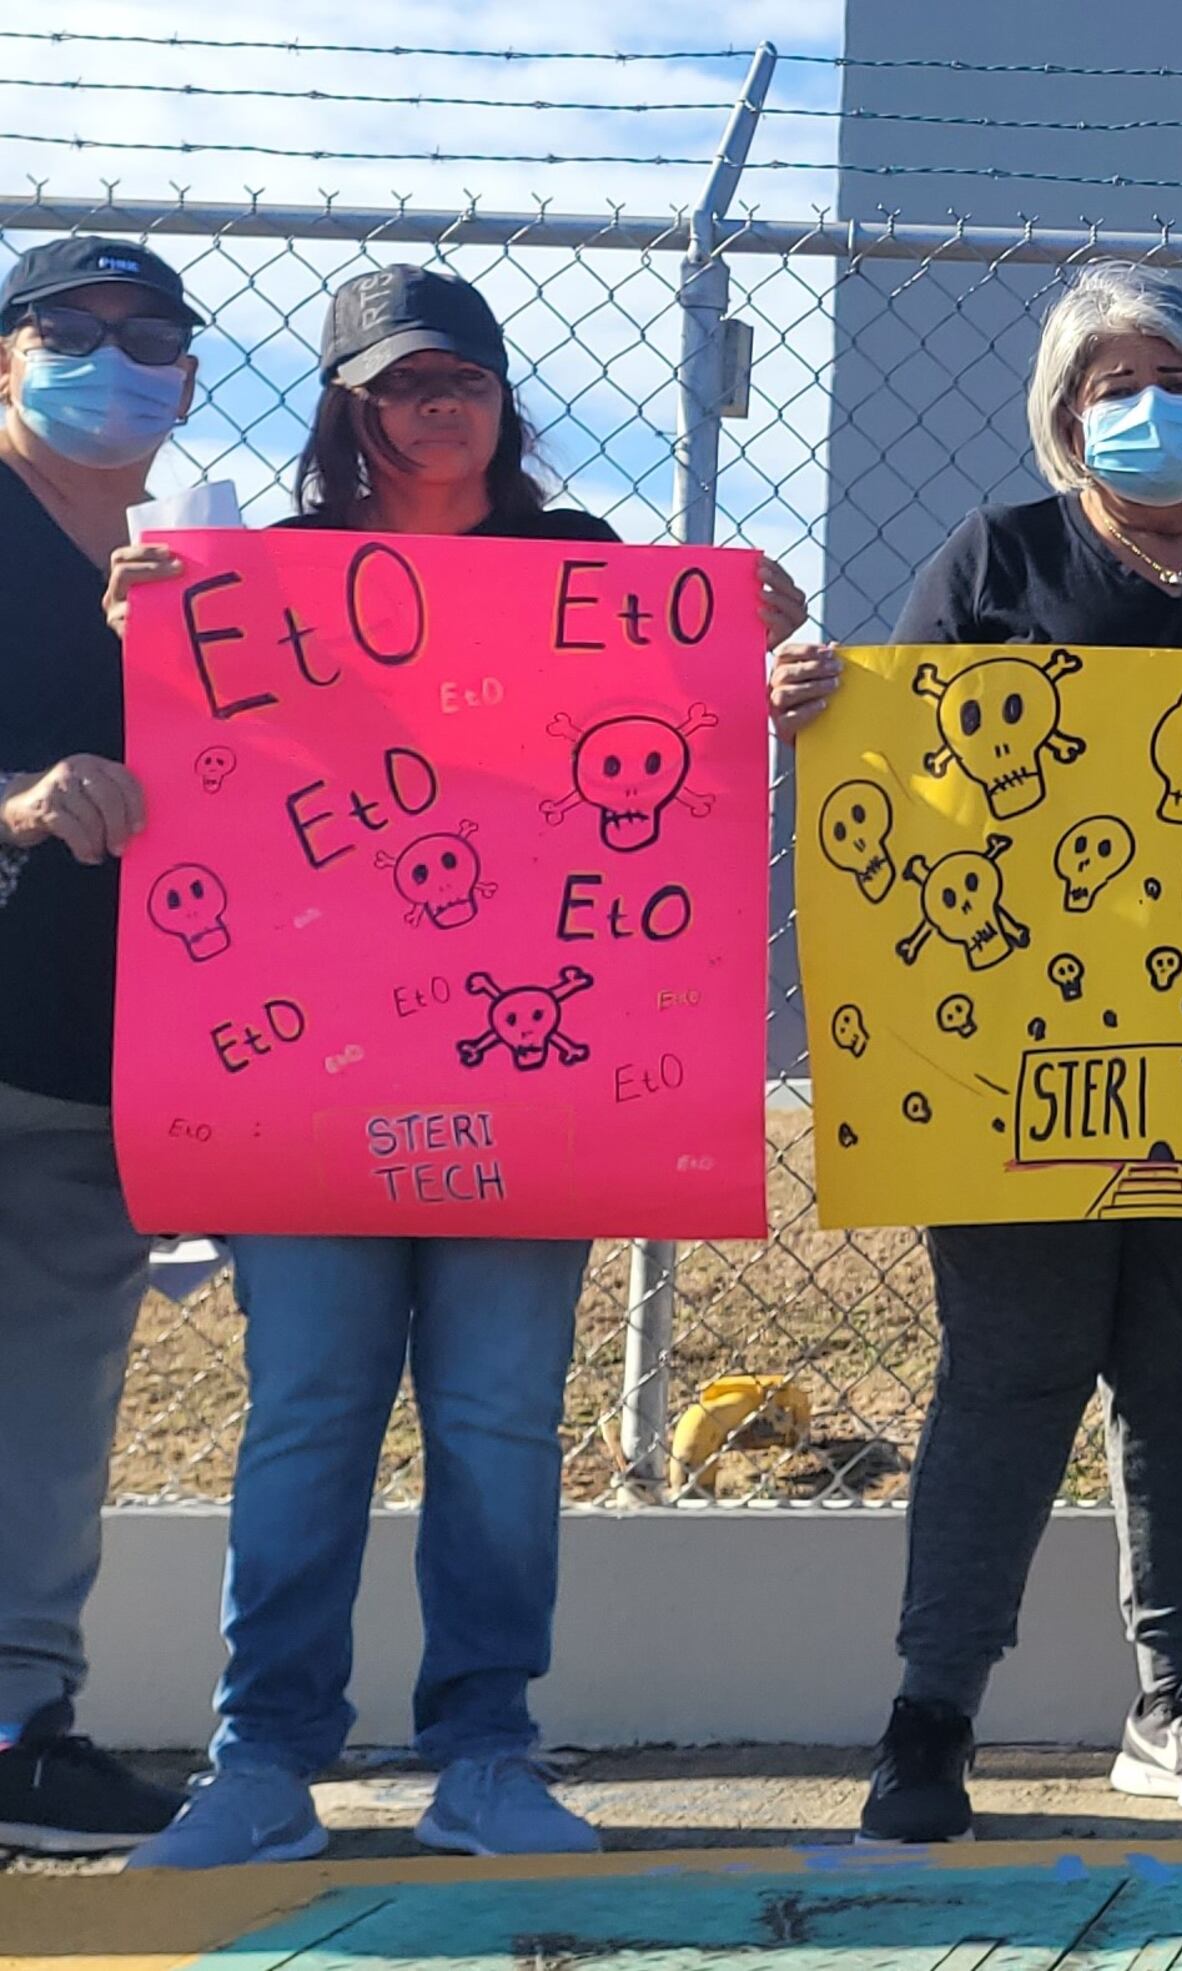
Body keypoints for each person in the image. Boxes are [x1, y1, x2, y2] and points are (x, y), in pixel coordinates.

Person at [116, 266, 809, 1868]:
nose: (439, 407)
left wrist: (755, 647)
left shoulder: (591, 570)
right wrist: (142, 625)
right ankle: (263, 1762)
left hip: (537, 1082)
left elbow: (683, 754)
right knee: (308, 1414)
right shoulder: (258, 575)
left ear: (505, 401)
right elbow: (196, 769)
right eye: (400, 382)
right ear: (349, 407)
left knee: (497, 1420)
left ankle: (486, 1753)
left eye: (466, 380)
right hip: (309, 1086)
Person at [768, 264, 1182, 1844]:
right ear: (1064, 417)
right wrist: (816, 709)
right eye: (1109, 384)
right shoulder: (994, 558)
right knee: (1010, 1371)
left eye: (1179, 375)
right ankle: (933, 1713)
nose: (1147, 407)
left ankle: (1181, 1701)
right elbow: (907, 800)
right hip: (1014, 1062)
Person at [0, 237, 208, 1856]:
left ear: (192, 377)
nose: (110, 358)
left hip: (89, 1064)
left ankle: (20, 1728)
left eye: (148, 336)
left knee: (51, 1416)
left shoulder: (190, 573)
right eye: (66, 330)